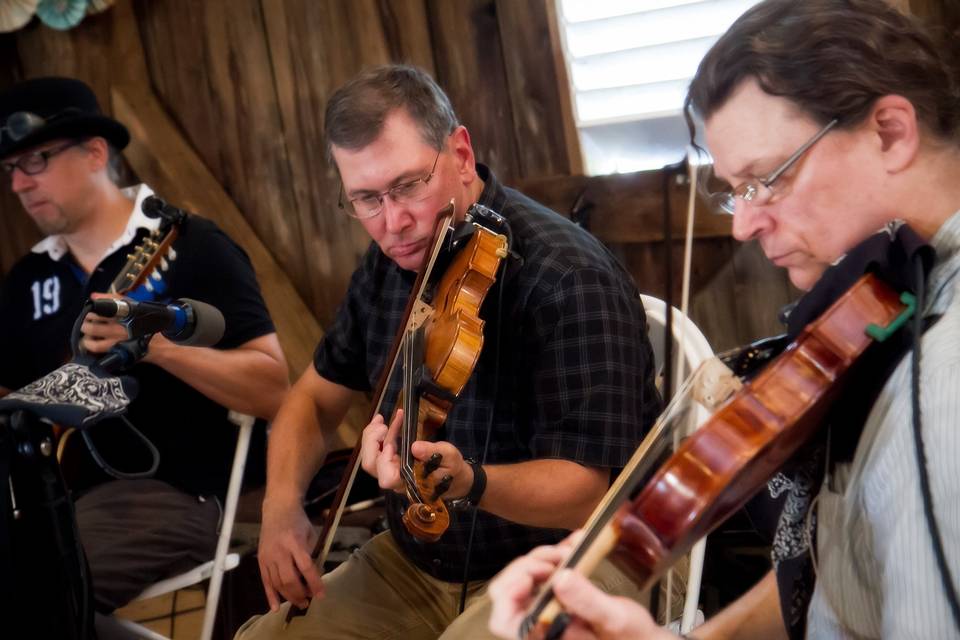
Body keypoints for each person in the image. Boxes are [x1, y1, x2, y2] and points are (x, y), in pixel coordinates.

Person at [486, 1, 960, 638]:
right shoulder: (887, 301)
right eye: (735, 190)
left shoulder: (942, 388)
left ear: (890, 132)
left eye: (768, 178)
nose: (743, 224)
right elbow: (840, 572)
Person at [238, 64, 661, 640]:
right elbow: (313, 397)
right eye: (365, 199)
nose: (394, 223)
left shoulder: (567, 276)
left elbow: (588, 494)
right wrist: (281, 507)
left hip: (579, 555)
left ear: (461, 154)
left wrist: (471, 482)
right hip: (423, 562)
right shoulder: (390, 264)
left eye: (409, 185)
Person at [0, 77, 289, 636]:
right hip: (57, 495)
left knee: (33, 592)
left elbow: (273, 386)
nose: (17, 183)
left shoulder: (190, 246)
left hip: (178, 494)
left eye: (34, 160)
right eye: (10, 169)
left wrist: (155, 348)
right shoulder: (26, 280)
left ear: (95, 152)